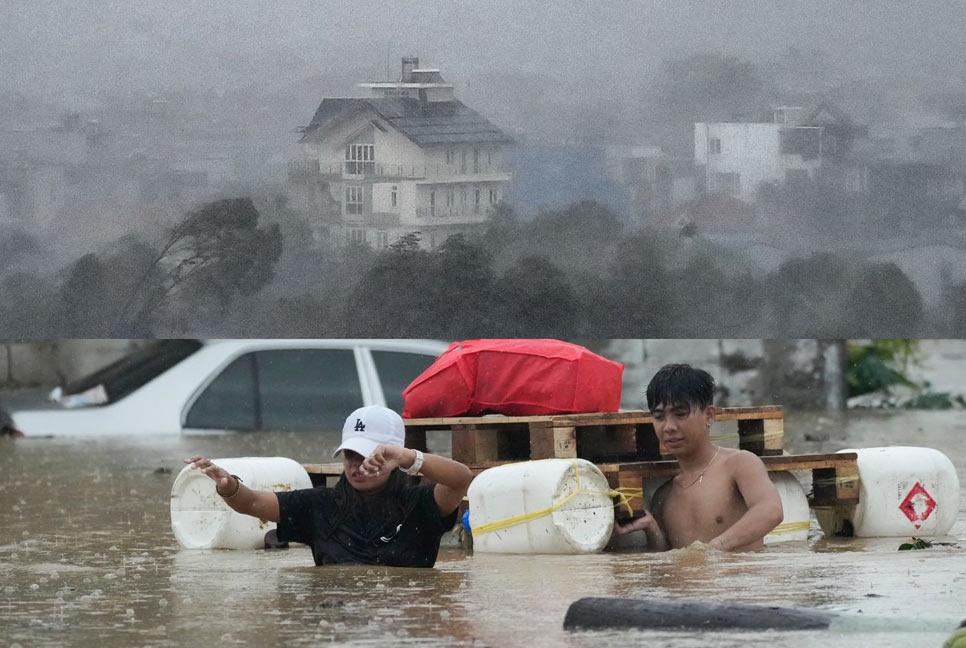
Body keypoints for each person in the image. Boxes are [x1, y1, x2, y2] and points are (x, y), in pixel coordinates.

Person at [185, 405, 473, 567]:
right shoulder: (318, 506)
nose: (357, 464)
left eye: (369, 455)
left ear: (394, 456)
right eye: (351, 455)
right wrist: (227, 485)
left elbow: (460, 478)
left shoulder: (421, 505)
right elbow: (252, 503)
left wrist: (408, 457)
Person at [612, 364, 783, 551]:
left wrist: (712, 549)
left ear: (709, 416)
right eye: (659, 417)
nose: (668, 426)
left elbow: (771, 511)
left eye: (680, 413)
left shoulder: (739, 464)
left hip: (740, 579)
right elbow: (667, 559)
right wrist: (651, 527)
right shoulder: (664, 496)